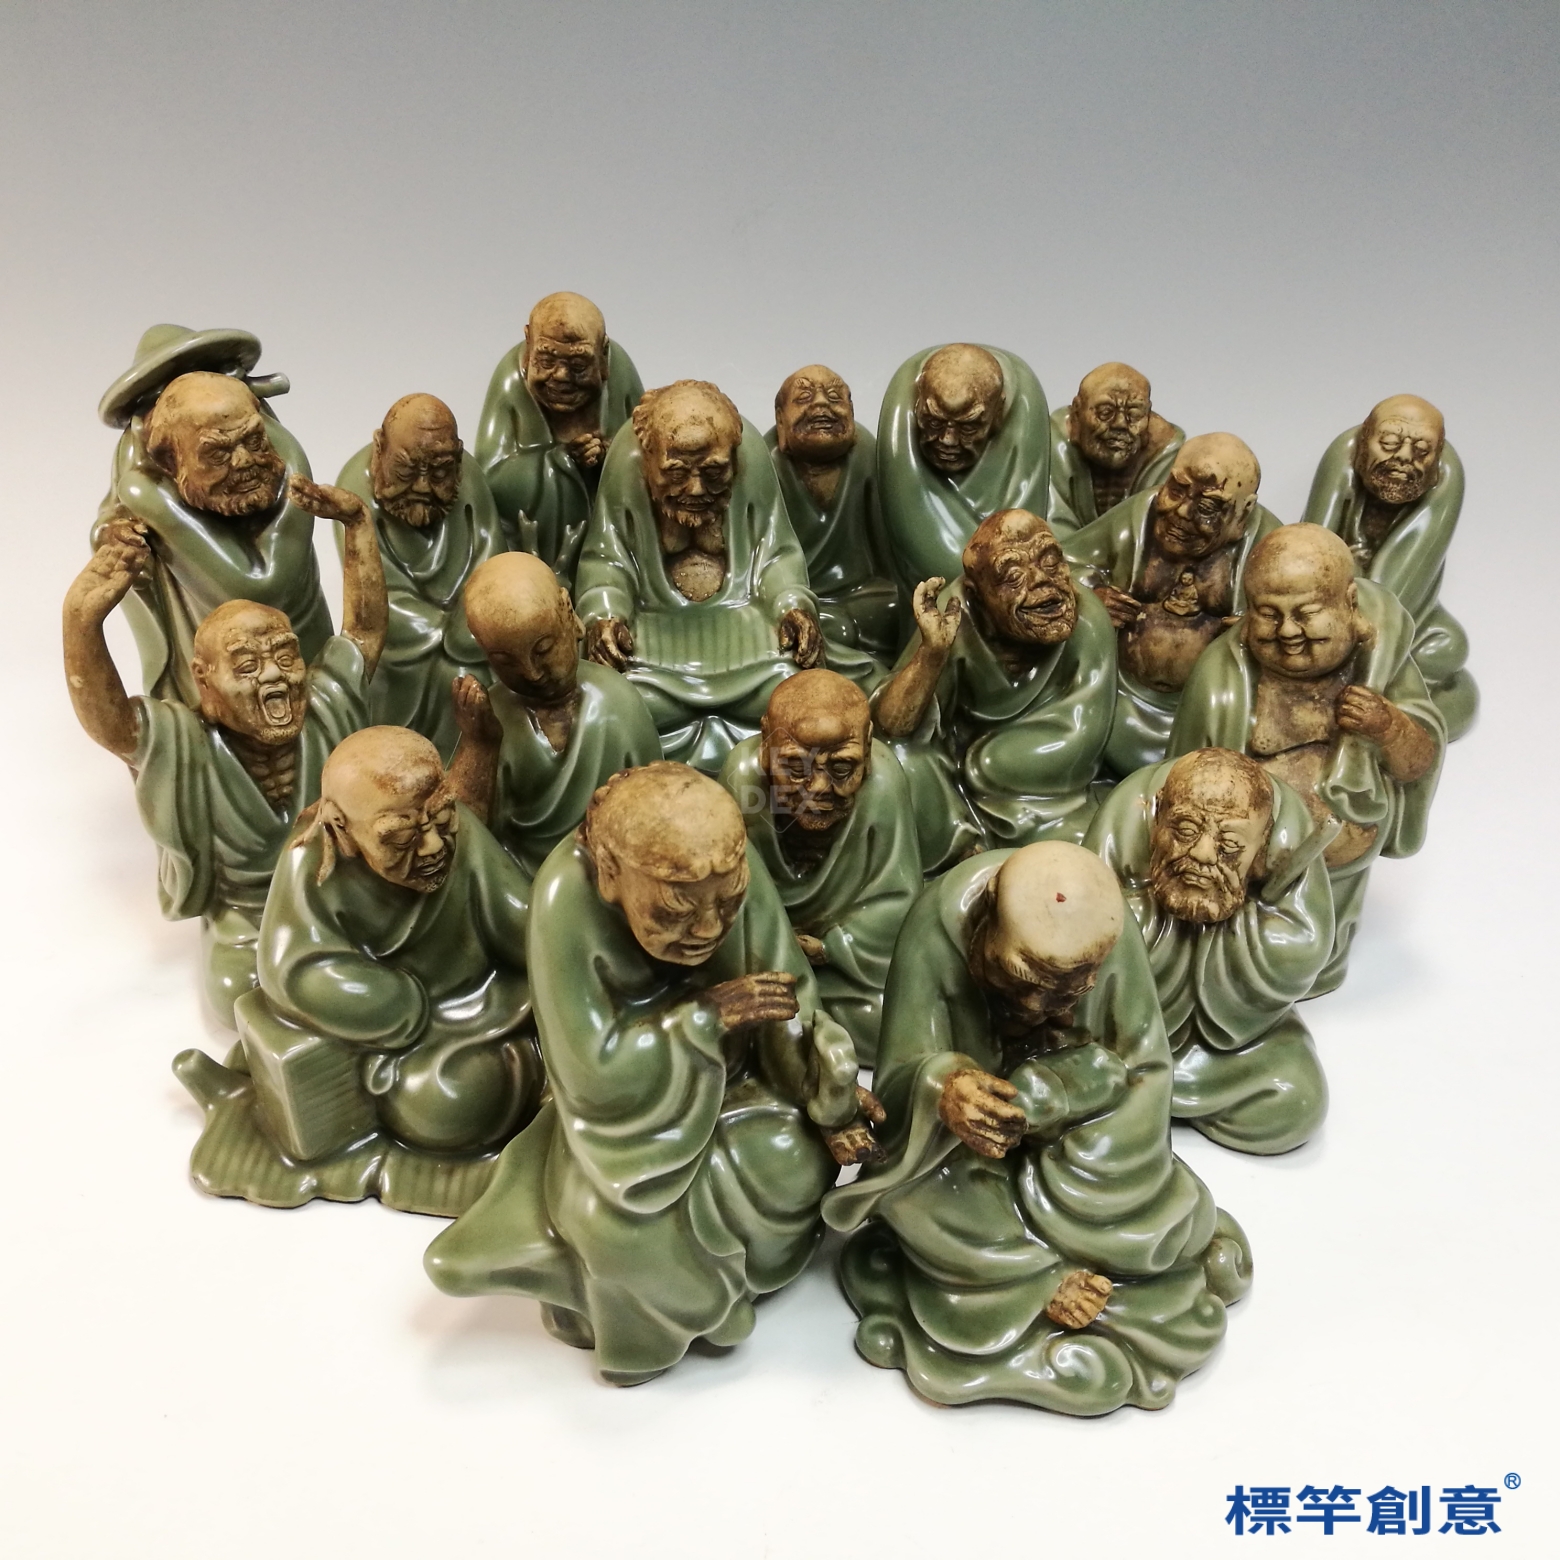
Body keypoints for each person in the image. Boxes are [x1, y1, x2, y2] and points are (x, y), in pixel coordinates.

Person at [425, 763, 880, 1385]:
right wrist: (706, 1018)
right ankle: (686, 1309)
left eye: (729, 902)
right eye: (675, 909)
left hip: (741, 1095)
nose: (709, 928)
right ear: (611, 874)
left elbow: (788, 994)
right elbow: (590, 1072)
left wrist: (822, 1083)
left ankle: (715, 1283)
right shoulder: (565, 897)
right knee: (613, 1227)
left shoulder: (726, 861)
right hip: (628, 1137)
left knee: (792, 1159)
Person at [824, 841, 1251, 1415]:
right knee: (914, 1190)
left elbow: (1144, 1068)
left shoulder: (1106, 929)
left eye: (1065, 991)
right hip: (968, 1144)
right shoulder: (937, 927)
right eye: (1019, 978)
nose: (1035, 1004)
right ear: (986, 923)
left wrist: (1061, 1094)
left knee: (1123, 1165)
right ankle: (1036, 1283)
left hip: (1070, 1139)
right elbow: (900, 1079)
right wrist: (946, 1090)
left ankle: (1077, 1262)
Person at [174, 727, 544, 1215]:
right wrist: (395, 1005)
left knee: (509, 1062)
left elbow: (521, 921)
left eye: (441, 817)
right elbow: (294, 967)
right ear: (341, 828)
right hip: (398, 1035)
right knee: (444, 1104)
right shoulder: (310, 863)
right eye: (400, 836)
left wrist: (545, 949)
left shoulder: (461, 835)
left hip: (482, 1006)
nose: (433, 845)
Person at [63, 475, 389, 1025]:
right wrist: (81, 620)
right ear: (203, 678)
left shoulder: (326, 705)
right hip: (248, 916)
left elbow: (364, 632)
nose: (275, 678)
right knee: (243, 991)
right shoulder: (184, 742)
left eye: (285, 656)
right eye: (247, 666)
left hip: (342, 891)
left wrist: (357, 523)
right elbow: (113, 724)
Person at [1168, 525, 1444, 994]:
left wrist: (1389, 728)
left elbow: (1419, 762)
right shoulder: (1223, 676)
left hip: (1339, 853)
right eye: (1268, 614)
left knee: (1318, 951)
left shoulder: (1381, 667)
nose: (1288, 632)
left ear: (1348, 603)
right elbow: (1182, 774)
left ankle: (1316, 958)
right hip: (1227, 859)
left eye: (1307, 614)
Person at [1085, 748, 1334, 1154]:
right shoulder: (1130, 809)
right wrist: (1154, 914)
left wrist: (1239, 920)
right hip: (1123, 1042)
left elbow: (1303, 946)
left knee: (1296, 1099)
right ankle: (1128, 1087)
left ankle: (1143, 1100)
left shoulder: (1289, 828)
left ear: (1262, 844)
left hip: (1231, 1052)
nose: (1202, 853)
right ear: (1158, 813)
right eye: (1185, 829)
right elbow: (1089, 921)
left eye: (1230, 845)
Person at [578, 380, 823, 771]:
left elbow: (774, 552)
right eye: (676, 473)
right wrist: (606, 615)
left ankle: (762, 781)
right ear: (649, 461)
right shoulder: (627, 460)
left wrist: (792, 606)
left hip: (745, 629)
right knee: (618, 699)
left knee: (794, 685)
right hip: (653, 635)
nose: (695, 489)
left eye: (713, 472)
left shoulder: (750, 456)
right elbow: (608, 559)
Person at [96, 325, 333, 708]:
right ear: (169, 457)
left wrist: (152, 502)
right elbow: (109, 522)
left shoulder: (283, 460)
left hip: (292, 650)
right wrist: (117, 534)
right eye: (218, 453)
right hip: (202, 641)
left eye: (252, 441)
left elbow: (264, 588)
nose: (244, 462)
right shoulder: (141, 458)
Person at [872, 509, 1116, 873]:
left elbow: (1084, 734)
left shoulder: (1088, 619)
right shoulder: (954, 615)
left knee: (1080, 856)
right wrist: (932, 654)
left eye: (1051, 562)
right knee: (897, 760)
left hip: (1042, 798)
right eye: (1013, 576)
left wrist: (987, 764)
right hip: (953, 780)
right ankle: (959, 852)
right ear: (978, 594)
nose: (1042, 581)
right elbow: (891, 725)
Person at [719, 670, 920, 1065]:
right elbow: (733, 893)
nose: (817, 788)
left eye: (842, 768)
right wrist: (777, 946)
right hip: (766, 959)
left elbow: (898, 898)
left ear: (867, 747)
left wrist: (831, 948)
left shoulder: (882, 785)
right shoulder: (744, 779)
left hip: (849, 967)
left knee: (888, 1022)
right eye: (796, 767)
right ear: (766, 744)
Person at [1065, 432, 1279, 776]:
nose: (1181, 512)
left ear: (1243, 511)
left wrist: (1254, 630)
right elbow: (1061, 562)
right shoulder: (1139, 517)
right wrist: (1091, 596)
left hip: (1211, 712)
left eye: (1207, 507)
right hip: (1115, 694)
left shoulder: (1269, 547)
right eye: (1177, 490)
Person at [454, 550, 662, 875]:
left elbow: (655, 804)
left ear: (569, 615)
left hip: (612, 866)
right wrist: (479, 746)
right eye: (506, 661)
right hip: (519, 872)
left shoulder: (616, 701)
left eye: (543, 649)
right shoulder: (493, 716)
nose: (532, 673)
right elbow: (465, 834)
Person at [335, 393, 509, 759]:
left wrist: (474, 623)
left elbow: (491, 564)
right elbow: (372, 594)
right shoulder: (353, 490)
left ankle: (476, 763)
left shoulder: (470, 480)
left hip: (467, 634)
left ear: (457, 458)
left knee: (476, 676)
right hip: (398, 648)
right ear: (380, 449)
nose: (423, 486)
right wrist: (445, 629)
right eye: (406, 471)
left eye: (440, 472)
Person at [1301, 394, 1476, 741]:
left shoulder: (1446, 478)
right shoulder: (1343, 455)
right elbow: (1310, 551)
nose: (1404, 458)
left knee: (1449, 647)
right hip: (1322, 610)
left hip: (1401, 616)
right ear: (1364, 442)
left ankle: (1378, 703)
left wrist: (1355, 573)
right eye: (1390, 443)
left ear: (1437, 460)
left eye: (1422, 451)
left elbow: (1396, 594)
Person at [474, 292, 644, 586]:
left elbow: (644, 453)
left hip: (606, 531)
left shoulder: (620, 373)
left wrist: (610, 455)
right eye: (547, 360)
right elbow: (489, 477)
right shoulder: (510, 381)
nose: (562, 376)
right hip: (530, 545)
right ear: (529, 344)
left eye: (578, 365)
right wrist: (561, 460)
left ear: (602, 355)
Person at [875, 342, 1051, 612]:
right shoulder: (902, 403)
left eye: (968, 427)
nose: (947, 440)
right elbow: (917, 539)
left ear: (998, 413)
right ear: (917, 406)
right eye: (933, 422)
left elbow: (1025, 538)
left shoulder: (1025, 404)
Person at [766, 364, 899, 665]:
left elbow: (885, 544)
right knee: (792, 626)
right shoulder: (768, 463)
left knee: (900, 610)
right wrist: (787, 600)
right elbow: (762, 551)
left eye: (834, 397)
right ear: (780, 419)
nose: (821, 405)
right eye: (804, 397)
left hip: (862, 593)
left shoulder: (866, 453)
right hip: (793, 596)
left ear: (851, 409)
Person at [1047, 361, 1184, 536]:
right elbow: (1052, 524)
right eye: (1105, 412)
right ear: (1076, 411)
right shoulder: (1053, 441)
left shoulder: (1164, 450)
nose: (1120, 424)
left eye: (1133, 414)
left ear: (1148, 415)